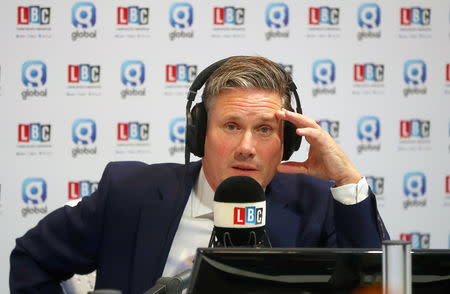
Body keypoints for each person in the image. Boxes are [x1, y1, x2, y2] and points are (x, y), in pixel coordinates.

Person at [10, 56, 389, 294]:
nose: (246, 146)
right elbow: (32, 258)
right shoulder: (129, 193)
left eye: (264, 129)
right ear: (199, 134)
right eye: (230, 126)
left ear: (287, 143)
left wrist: (347, 181)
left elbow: (380, 283)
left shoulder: (317, 202)